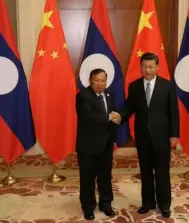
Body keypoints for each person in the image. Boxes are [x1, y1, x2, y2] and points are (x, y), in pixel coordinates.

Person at [118, 52, 179, 218]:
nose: (148, 70)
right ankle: (148, 202)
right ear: (141, 67)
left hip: (162, 136)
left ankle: (164, 204)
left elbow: (174, 112)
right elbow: (129, 108)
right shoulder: (134, 86)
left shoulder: (167, 86)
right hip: (143, 136)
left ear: (157, 67)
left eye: (151, 66)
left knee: (162, 172)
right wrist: (118, 117)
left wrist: (174, 135)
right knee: (145, 172)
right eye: (144, 66)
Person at [76, 68, 121, 221]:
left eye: (103, 80)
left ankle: (105, 203)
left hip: (106, 143)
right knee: (87, 177)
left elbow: (112, 114)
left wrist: (116, 118)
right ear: (90, 81)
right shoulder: (83, 95)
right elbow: (89, 116)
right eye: (96, 80)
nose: (100, 84)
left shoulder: (108, 94)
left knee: (105, 176)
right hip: (88, 145)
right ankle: (88, 207)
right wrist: (109, 117)